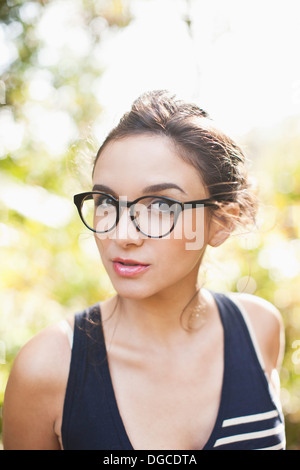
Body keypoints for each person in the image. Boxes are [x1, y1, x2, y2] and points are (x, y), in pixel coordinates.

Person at [3, 90, 285, 450]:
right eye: (106, 201)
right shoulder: (48, 368)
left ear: (222, 222)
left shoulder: (258, 328)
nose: (122, 234)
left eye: (162, 205)